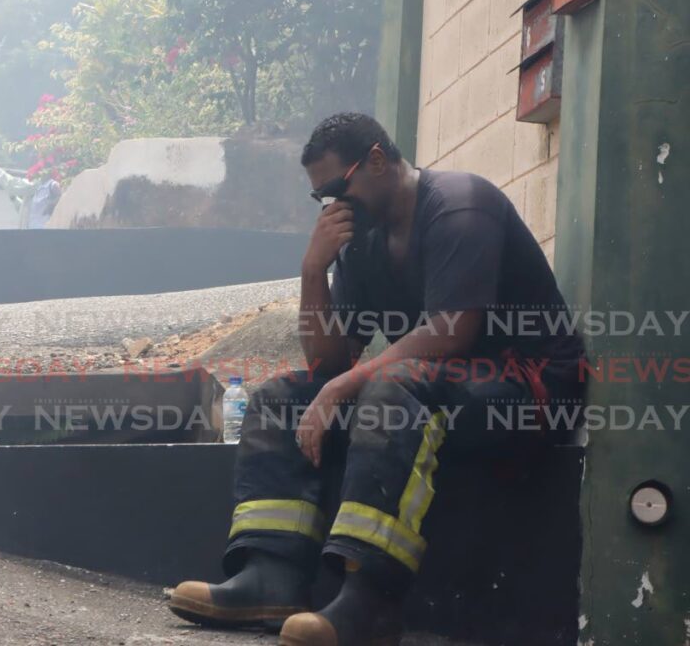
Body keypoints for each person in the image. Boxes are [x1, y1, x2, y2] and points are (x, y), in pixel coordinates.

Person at [167, 113, 585, 645]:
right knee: (281, 397)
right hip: (443, 387)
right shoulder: (361, 240)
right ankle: (270, 578)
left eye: (338, 189)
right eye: (320, 198)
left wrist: (342, 387)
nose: (333, 206)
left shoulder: (459, 206)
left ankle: (371, 603)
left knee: (389, 389)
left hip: (529, 390)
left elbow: (451, 333)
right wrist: (313, 271)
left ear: (379, 161)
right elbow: (329, 362)